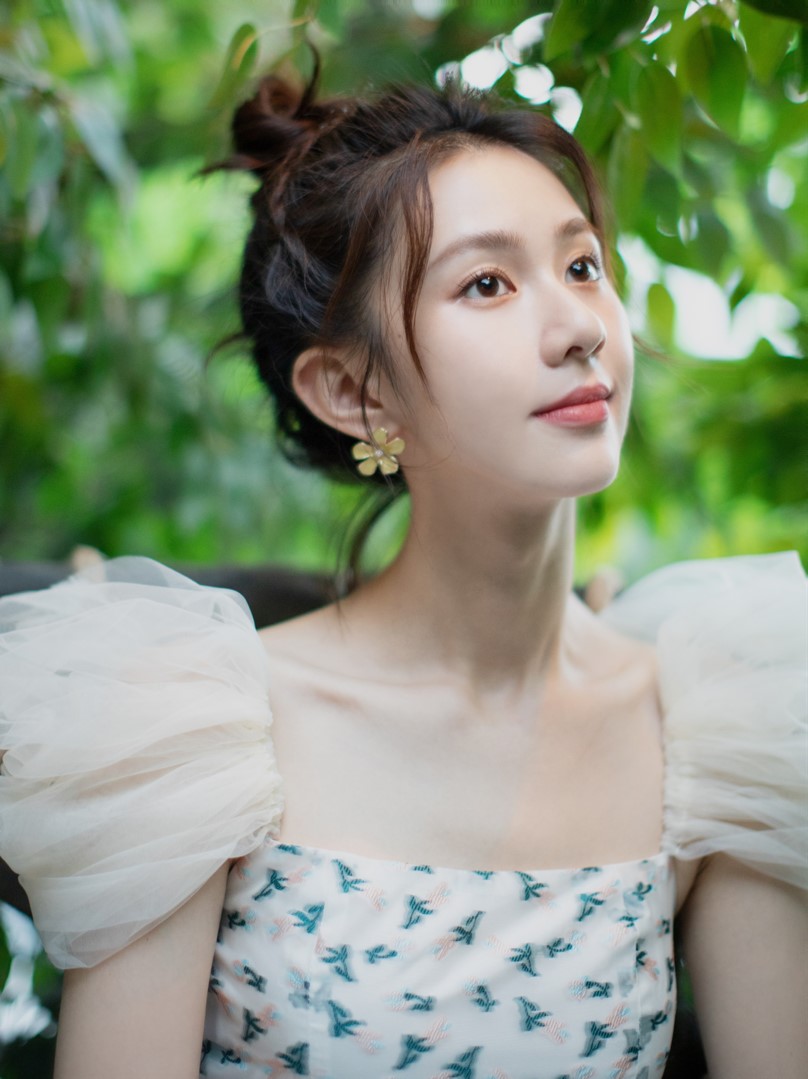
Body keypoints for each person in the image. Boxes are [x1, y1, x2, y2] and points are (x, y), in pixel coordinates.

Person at [0, 68, 805, 1079]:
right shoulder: (197, 732)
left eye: (582, 265)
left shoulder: (712, 726)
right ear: (354, 389)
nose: (581, 327)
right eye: (487, 284)